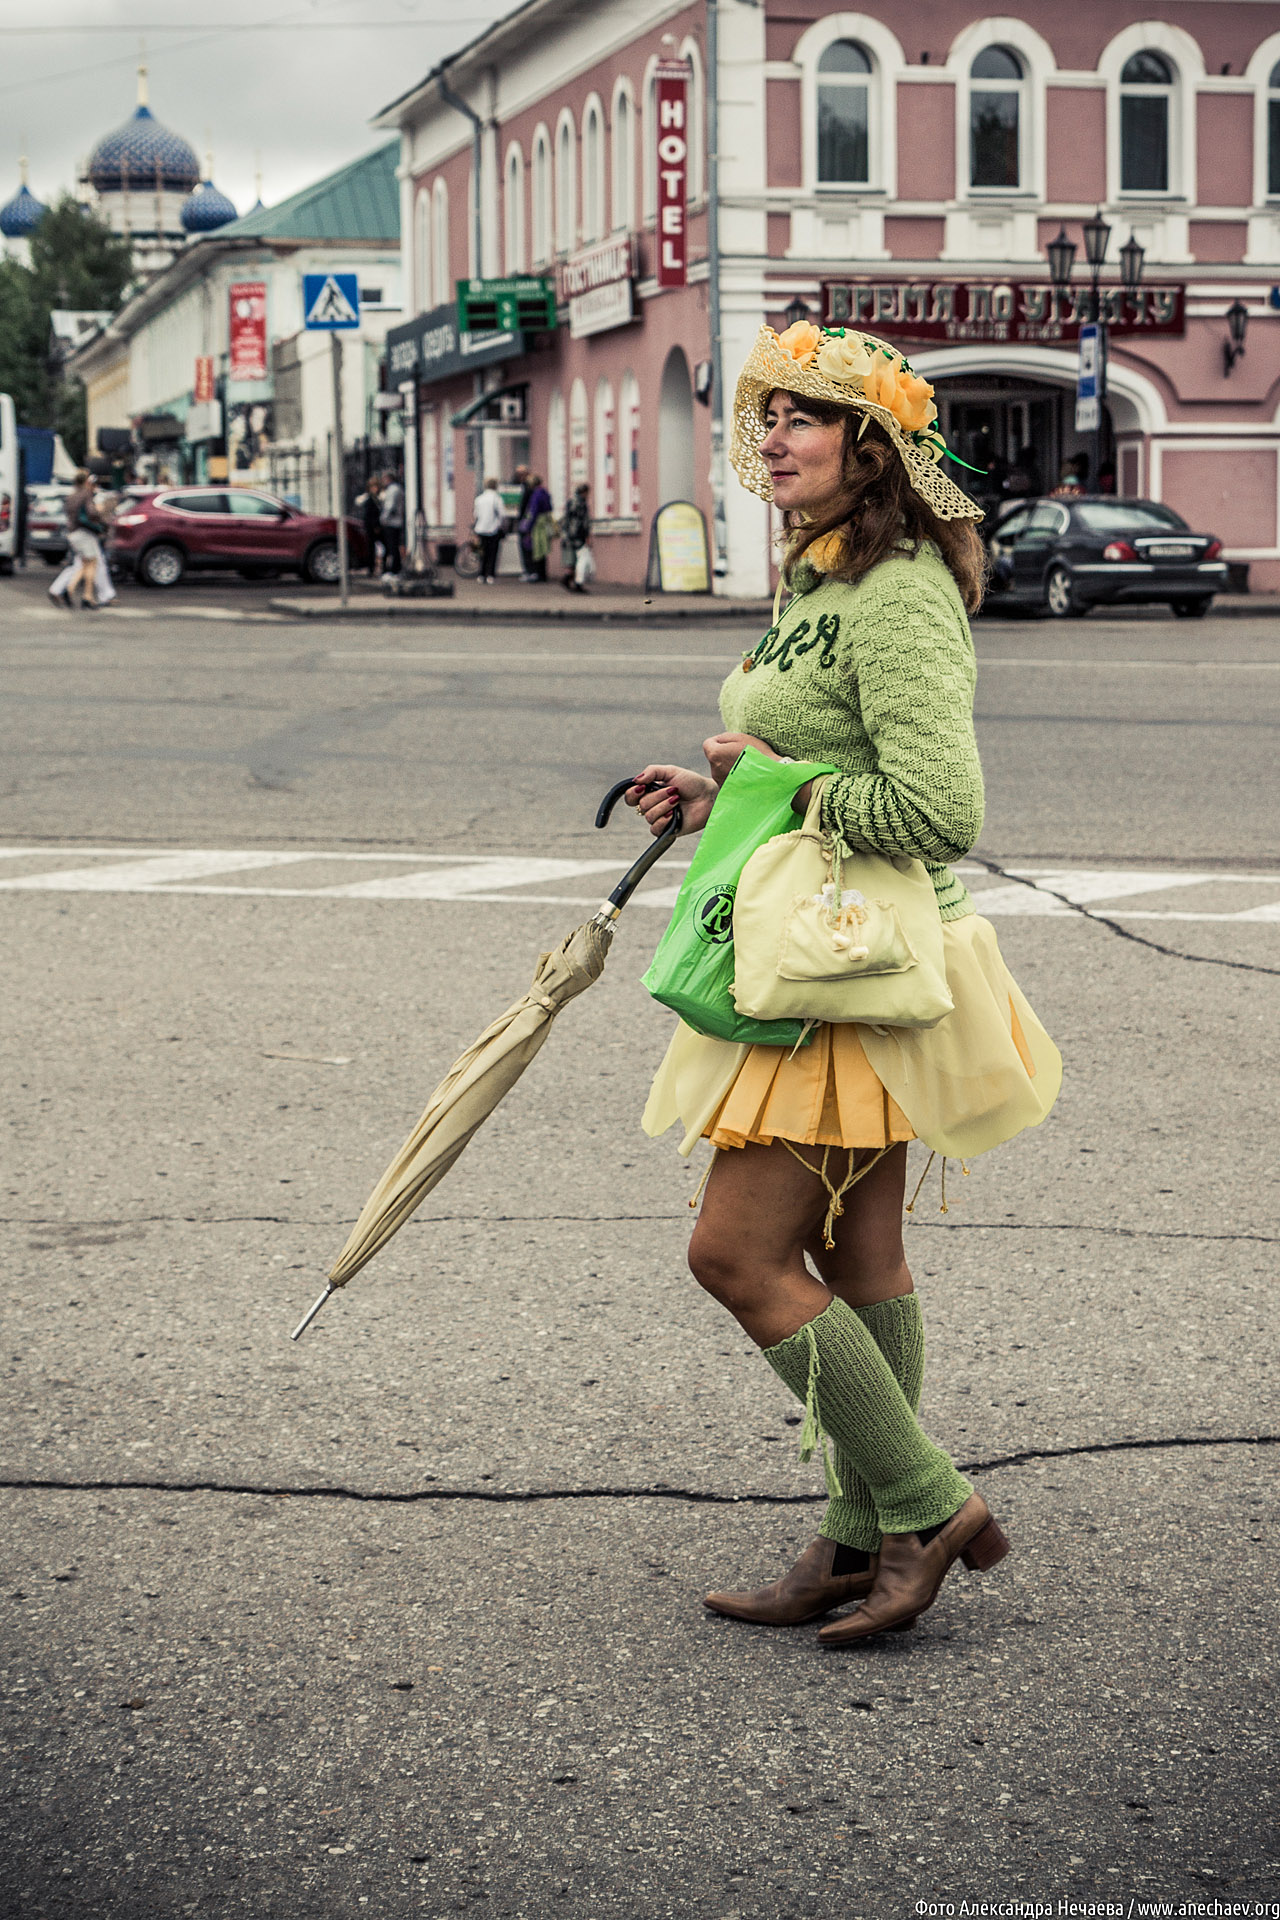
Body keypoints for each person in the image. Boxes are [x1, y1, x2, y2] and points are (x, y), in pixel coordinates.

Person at [626, 319, 1061, 1645]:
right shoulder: (817, 584)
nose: (770, 436)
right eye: (766, 418)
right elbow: (815, 768)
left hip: (856, 964)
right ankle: (857, 1540)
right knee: (859, 1251)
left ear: (872, 449)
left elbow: (934, 803)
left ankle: (928, 1510)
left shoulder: (901, 589)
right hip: (820, 938)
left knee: (735, 1253)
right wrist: (721, 792)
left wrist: (784, 782)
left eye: (801, 417)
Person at [59, 471, 106, 611]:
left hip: (72, 532)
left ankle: (72, 590)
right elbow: (92, 513)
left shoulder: (70, 496)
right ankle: (86, 597)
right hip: (84, 532)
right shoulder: (86, 494)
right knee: (92, 563)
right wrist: (99, 512)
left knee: (85, 564)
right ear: (86, 481)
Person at [519, 472, 554, 582]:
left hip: (537, 524)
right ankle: (542, 574)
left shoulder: (536, 495)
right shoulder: (545, 492)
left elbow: (533, 511)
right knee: (542, 549)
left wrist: (528, 528)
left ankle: (535, 573)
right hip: (545, 523)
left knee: (535, 549)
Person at [472, 475, 507, 584]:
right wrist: (500, 525)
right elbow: (502, 514)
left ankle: (481, 574)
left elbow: (475, 514)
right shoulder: (497, 499)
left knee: (482, 553)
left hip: (481, 529)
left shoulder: (479, 499)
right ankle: (490, 575)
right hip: (493, 529)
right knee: (493, 553)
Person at [560, 482, 591, 592]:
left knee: (570, 559)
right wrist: (587, 536)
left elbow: (565, 519)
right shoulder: (581, 504)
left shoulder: (570, 502)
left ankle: (568, 579)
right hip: (577, 535)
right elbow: (584, 522)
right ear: (584, 492)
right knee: (580, 559)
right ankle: (576, 582)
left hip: (567, 535)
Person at [379, 470, 404, 573]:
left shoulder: (393, 490)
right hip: (396, 522)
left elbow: (390, 506)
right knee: (394, 546)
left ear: (388, 479)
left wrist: (383, 518)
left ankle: (395, 568)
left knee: (392, 546)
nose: (383, 481)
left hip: (392, 523)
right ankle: (396, 567)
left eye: (384, 479)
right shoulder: (396, 489)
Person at [513, 464, 535, 580]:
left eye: (521, 474)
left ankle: (530, 571)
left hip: (526, 521)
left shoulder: (528, 488)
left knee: (527, 547)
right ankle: (529, 571)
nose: (518, 476)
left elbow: (525, 507)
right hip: (525, 521)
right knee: (526, 547)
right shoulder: (519, 486)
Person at [358, 475, 383, 575]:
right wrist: (375, 526)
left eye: (376, 486)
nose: (375, 489)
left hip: (374, 526)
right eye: (373, 487)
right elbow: (369, 515)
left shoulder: (376, 499)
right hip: (371, 527)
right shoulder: (370, 500)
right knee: (371, 548)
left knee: (375, 547)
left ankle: (374, 567)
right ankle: (371, 568)